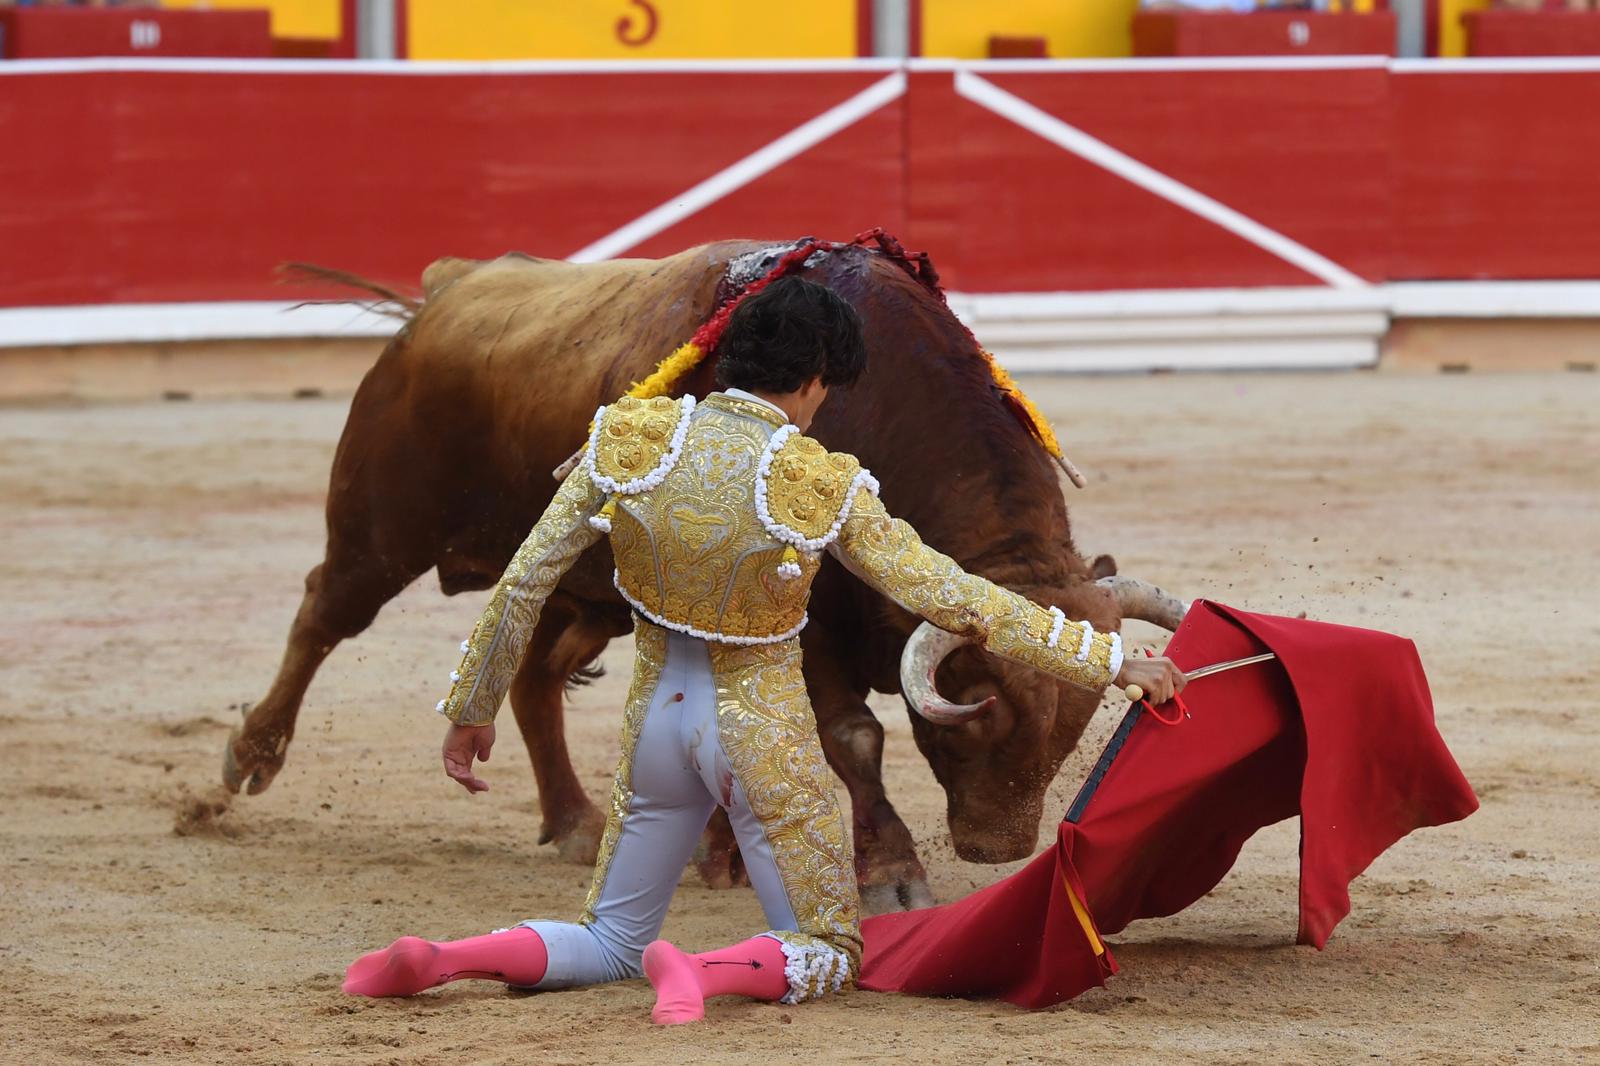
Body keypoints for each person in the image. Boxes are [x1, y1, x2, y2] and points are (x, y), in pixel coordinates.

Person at [342, 277, 1186, 1024]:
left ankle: (447, 958)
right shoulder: (819, 482)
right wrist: (1111, 661)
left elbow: (525, 581)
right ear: (815, 380)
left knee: (608, 939)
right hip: (759, 740)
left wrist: (472, 708)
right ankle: (701, 972)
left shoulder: (626, 440)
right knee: (829, 948)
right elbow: (959, 598)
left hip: (655, 729)